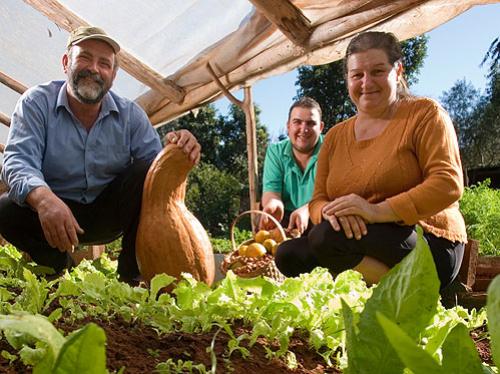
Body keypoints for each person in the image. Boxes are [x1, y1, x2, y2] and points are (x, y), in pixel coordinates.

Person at [0, 26, 201, 283]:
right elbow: (17, 161)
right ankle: (58, 268)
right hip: (53, 212)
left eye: (104, 63)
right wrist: (44, 200)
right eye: (84, 57)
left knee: (146, 170)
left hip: (108, 215)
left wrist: (179, 152)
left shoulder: (131, 116)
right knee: (5, 209)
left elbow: (158, 178)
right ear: (66, 63)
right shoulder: (36, 102)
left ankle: (132, 279)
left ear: (113, 75)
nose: (94, 68)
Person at [275, 31, 466, 290]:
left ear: (397, 71)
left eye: (377, 71)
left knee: (326, 238)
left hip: (429, 239)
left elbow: (448, 184)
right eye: (357, 75)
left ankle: (407, 293)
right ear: (347, 80)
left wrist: (375, 212)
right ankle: (375, 288)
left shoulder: (425, 115)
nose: (366, 82)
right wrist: (333, 213)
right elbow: (318, 200)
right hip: (356, 236)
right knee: (288, 254)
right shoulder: (334, 136)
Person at [261, 97, 324, 235]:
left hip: (322, 214)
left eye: (310, 123)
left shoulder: (332, 148)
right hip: (286, 215)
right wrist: (273, 203)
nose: (304, 129)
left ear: (320, 127)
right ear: (288, 126)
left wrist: (309, 209)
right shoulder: (275, 151)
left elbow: (335, 194)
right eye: (297, 122)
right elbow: (271, 189)